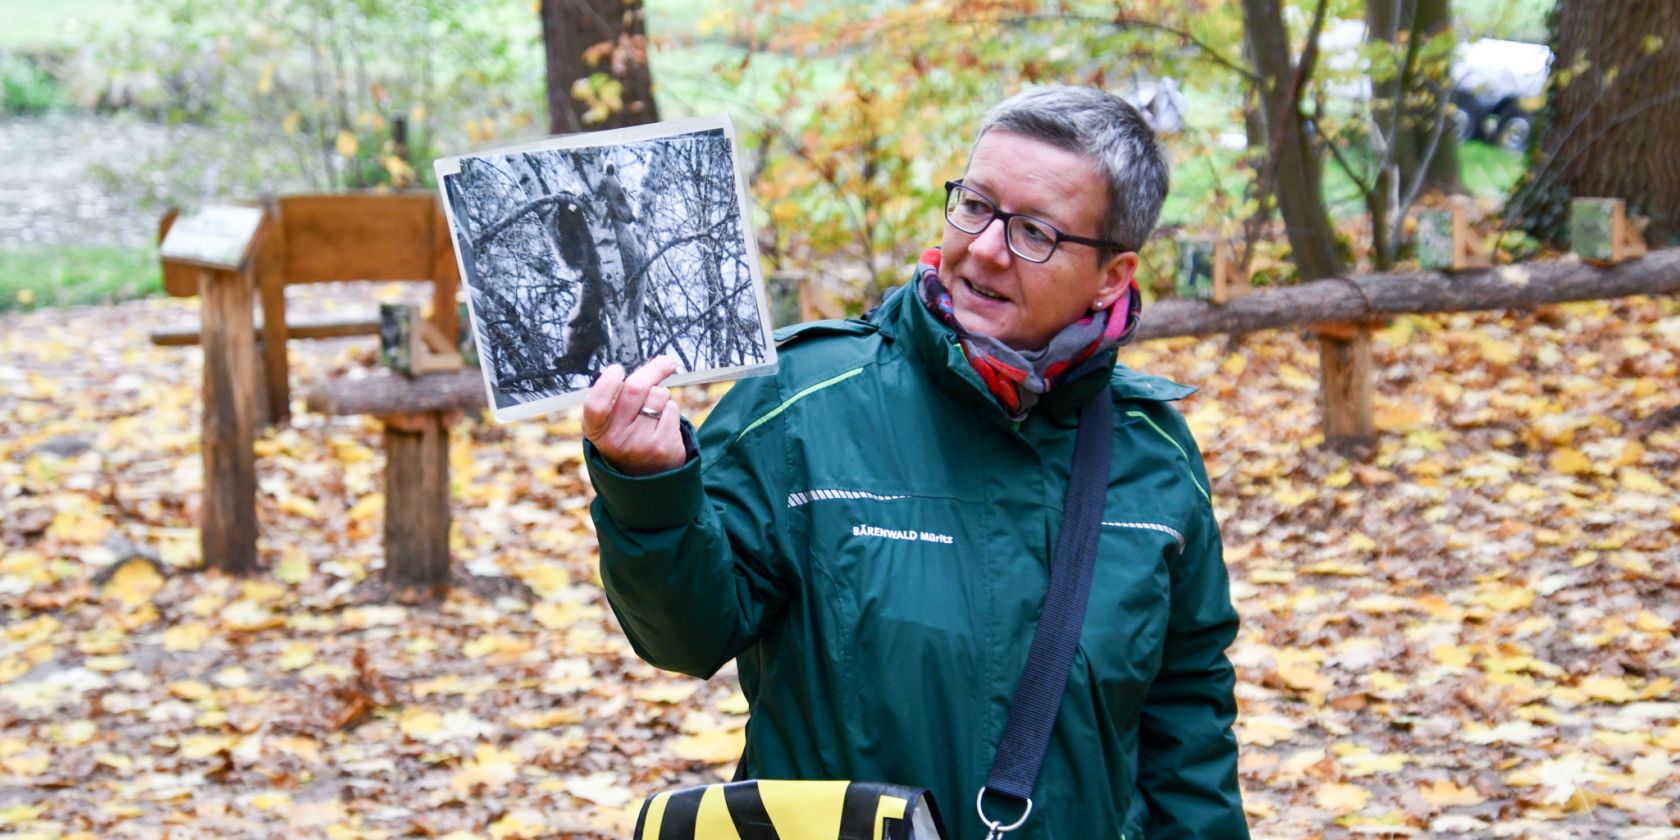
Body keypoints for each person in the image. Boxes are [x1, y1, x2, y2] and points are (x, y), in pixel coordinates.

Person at [581, 85, 1248, 840]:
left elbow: (1188, 727)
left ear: (1113, 276)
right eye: (975, 205)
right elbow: (686, 638)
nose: (987, 249)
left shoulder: (1152, 455)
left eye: (1035, 232)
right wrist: (649, 485)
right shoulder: (805, 402)